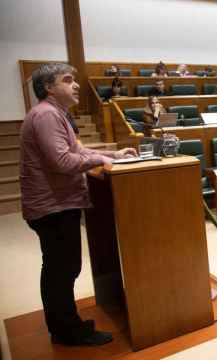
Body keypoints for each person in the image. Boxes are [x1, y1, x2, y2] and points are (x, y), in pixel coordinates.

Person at [20, 63, 137, 347]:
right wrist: (102, 160)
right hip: (53, 207)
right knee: (61, 269)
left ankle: (65, 325)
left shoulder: (55, 113)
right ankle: (66, 331)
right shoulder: (47, 116)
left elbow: (78, 151)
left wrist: (114, 154)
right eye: (68, 80)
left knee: (63, 267)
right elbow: (61, 161)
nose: (76, 85)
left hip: (58, 204)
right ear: (48, 87)